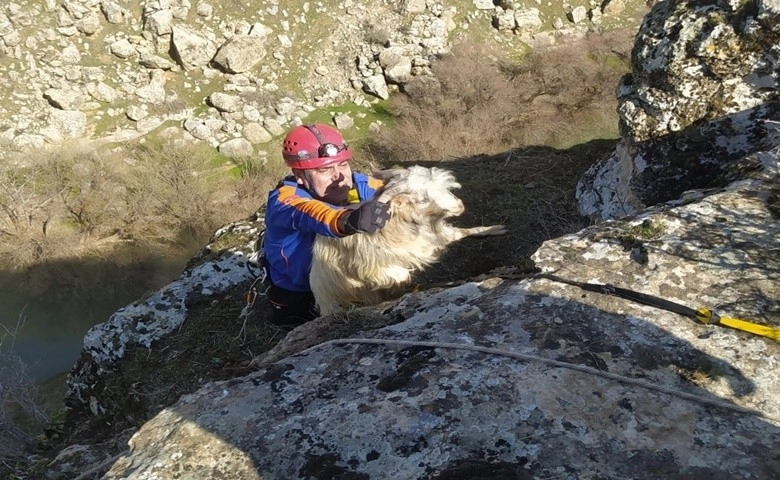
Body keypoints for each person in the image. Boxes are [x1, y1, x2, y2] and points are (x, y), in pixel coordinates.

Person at [260, 123, 390, 331]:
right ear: (300, 176)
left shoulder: (360, 184)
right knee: (297, 332)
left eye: (343, 165)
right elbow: (314, 214)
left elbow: (393, 190)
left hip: (341, 278)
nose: (339, 176)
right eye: (324, 169)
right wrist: (348, 220)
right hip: (298, 290)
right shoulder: (285, 201)